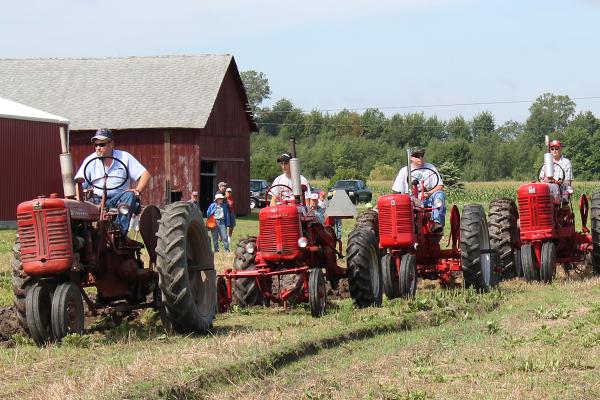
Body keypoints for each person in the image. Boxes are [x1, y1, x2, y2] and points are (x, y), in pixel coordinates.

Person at [74, 128, 151, 236]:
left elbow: (145, 175)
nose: (98, 148)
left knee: (130, 195)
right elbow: (79, 182)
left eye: (101, 144)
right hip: (96, 199)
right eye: (96, 145)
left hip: (119, 199)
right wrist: (79, 197)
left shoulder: (124, 157)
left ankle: (119, 233)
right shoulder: (90, 161)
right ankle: (86, 235)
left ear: (111, 144)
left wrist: (137, 190)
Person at [392, 146, 445, 233]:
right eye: (417, 156)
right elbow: (397, 191)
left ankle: (436, 223)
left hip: (427, 198)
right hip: (409, 199)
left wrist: (428, 193)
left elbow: (440, 186)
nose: (420, 158)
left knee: (439, 194)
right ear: (411, 158)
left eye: (422, 155)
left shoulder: (430, 168)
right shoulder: (404, 171)